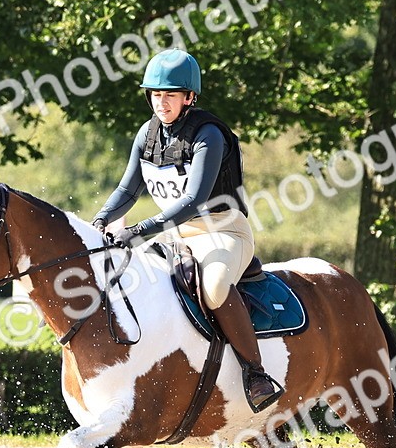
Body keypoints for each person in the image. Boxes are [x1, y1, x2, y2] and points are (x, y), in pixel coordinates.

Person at [92, 48, 284, 412]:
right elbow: (128, 190)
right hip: (177, 235)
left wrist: (140, 229)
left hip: (224, 231)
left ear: (189, 97)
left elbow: (195, 199)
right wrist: (101, 218)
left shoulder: (208, 135)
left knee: (213, 289)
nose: (161, 103)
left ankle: (256, 373)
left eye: (170, 95)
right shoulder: (147, 134)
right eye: (156, 94)